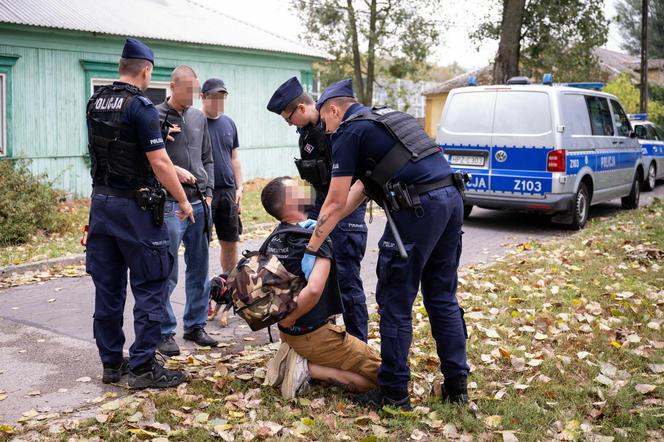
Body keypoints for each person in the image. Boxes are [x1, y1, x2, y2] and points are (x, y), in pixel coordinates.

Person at [303, 79, 470, 410]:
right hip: (451, 200)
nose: (325, 127)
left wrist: (311, 248)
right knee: (441, 297)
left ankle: (393, 392)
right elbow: (360, 189)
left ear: (334, 109)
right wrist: (325, 226)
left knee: (395, 301)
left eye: (324, 119)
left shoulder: (349, 131)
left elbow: (334, 200)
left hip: (417, 209)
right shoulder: (388, 119)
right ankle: (457, 388)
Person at [85, 38, 193, 389]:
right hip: (136, 208)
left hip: (102, 204)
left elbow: (113, 153)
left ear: (121, 66)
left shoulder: (96, 102)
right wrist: (184, 200)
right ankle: (144, 368)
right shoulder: (142, 107)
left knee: (108, 288)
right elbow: (159, 161)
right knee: (150, 285)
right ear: (146, 70)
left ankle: (111, 364)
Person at [266, 77, 369, 342]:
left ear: (301, 108)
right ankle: (321, 337)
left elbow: (356, 181)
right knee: (312, 276)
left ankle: (359, 346)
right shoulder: (307, 133)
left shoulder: (337, 126)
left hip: (346, 210)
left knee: (346, 280)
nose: (288, 124)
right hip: (319, 208)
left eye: (288, 117)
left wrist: (333, 216)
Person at [260, 177, 381, 398]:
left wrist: (286, 320)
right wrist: (291, 316)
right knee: (383, 376)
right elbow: (314, 290)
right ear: (291, 203)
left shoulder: (273, 239)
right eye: (298, 188)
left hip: (288, 334)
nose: (305, 188)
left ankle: (299, 359)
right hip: (313, 336)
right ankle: (304, 368)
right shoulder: (314, 238)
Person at [156, 66, 218, 355]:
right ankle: (164, 332)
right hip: (170, 205)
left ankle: (195, 326)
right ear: (172, 86)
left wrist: (208, 193)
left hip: (199, 203)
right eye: (189, 90)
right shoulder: (154, 116)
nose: (195, 96)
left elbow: (207, 157)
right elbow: (151, 160)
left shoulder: (197, 117)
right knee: (167, 271)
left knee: (199, 268)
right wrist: (174, 171)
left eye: (197, 90)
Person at [200, 78, 243, 274]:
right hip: (203, 193)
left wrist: (239, 187)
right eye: (214, 97)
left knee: (230, 242)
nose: (219, 102)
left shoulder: (229, 123)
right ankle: (203, 292)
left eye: (222, 97)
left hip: (228, 191)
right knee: (200, 245)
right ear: (203, 97)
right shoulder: (193, 122)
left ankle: (229, 285)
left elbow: (234, 157)